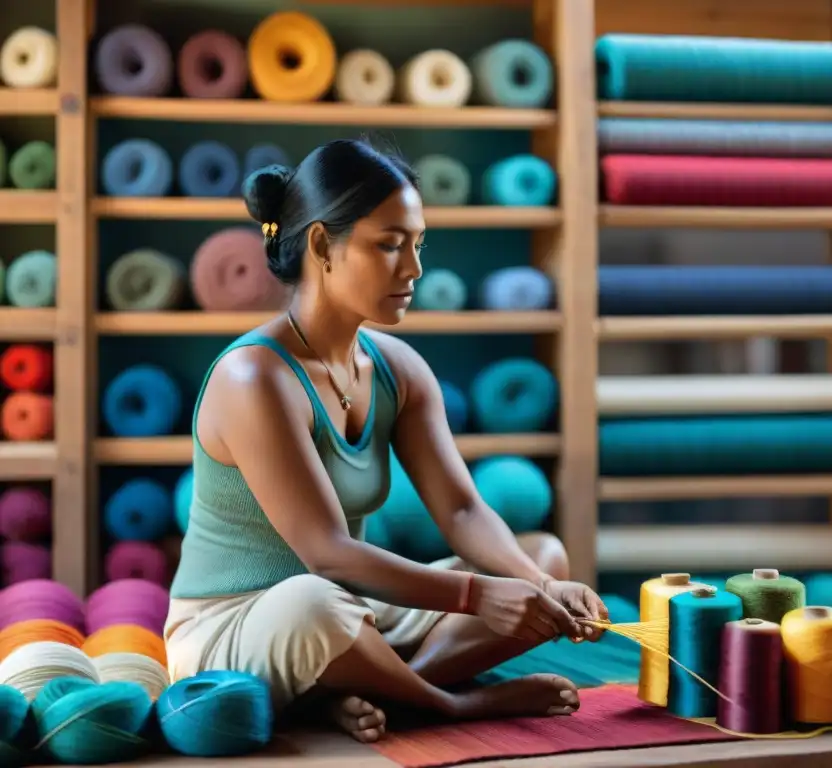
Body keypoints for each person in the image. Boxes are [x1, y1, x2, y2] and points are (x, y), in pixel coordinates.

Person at [164, 138, 609, 744]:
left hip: (351, 613)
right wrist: (479, 595)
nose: (414, 269)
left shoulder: (397, 368)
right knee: (313, 601)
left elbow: (460, 509)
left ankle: (377, 691)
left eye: (417, 245)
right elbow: (326, 553)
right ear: (322, 245)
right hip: (236, 630)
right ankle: (446, 705)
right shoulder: (254, 377)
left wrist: (537, 585)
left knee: (543, 560)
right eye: (389, 245)